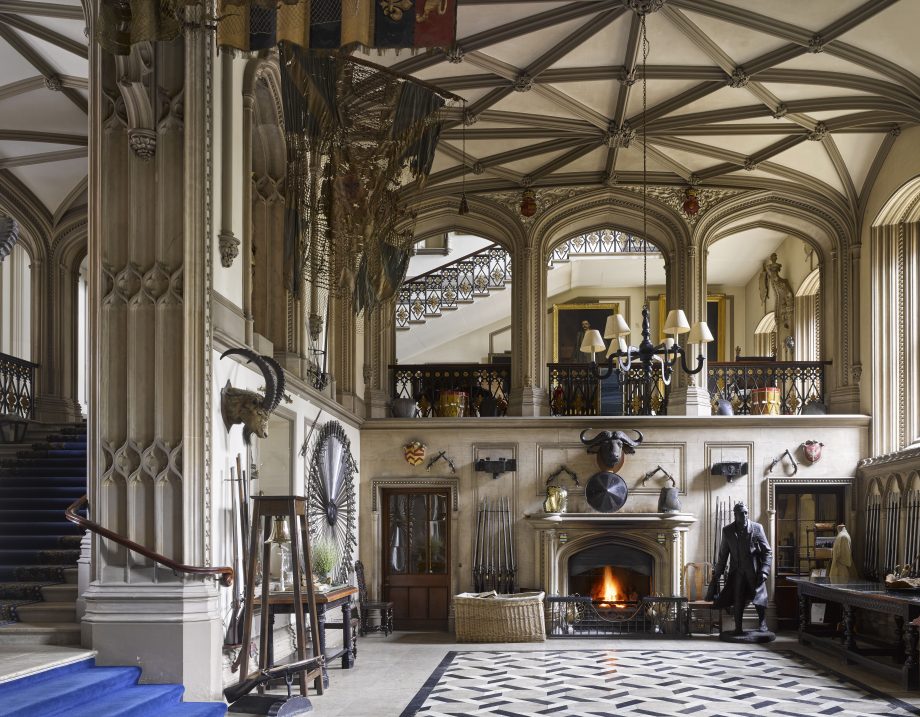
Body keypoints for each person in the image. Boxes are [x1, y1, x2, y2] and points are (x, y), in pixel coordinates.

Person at [709, 501, 773, 634]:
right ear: (735, 515)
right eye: (741, 513)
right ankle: (738, 627)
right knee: (738, 599)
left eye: (746, 513)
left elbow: (768, 551)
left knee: (758, 598)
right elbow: (723, 554)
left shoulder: (757, 528)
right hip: (736, 572)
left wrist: (765, 571)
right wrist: (717, 573)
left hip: (754, 571)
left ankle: (762, 623)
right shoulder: (727, 531)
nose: (744, 515)